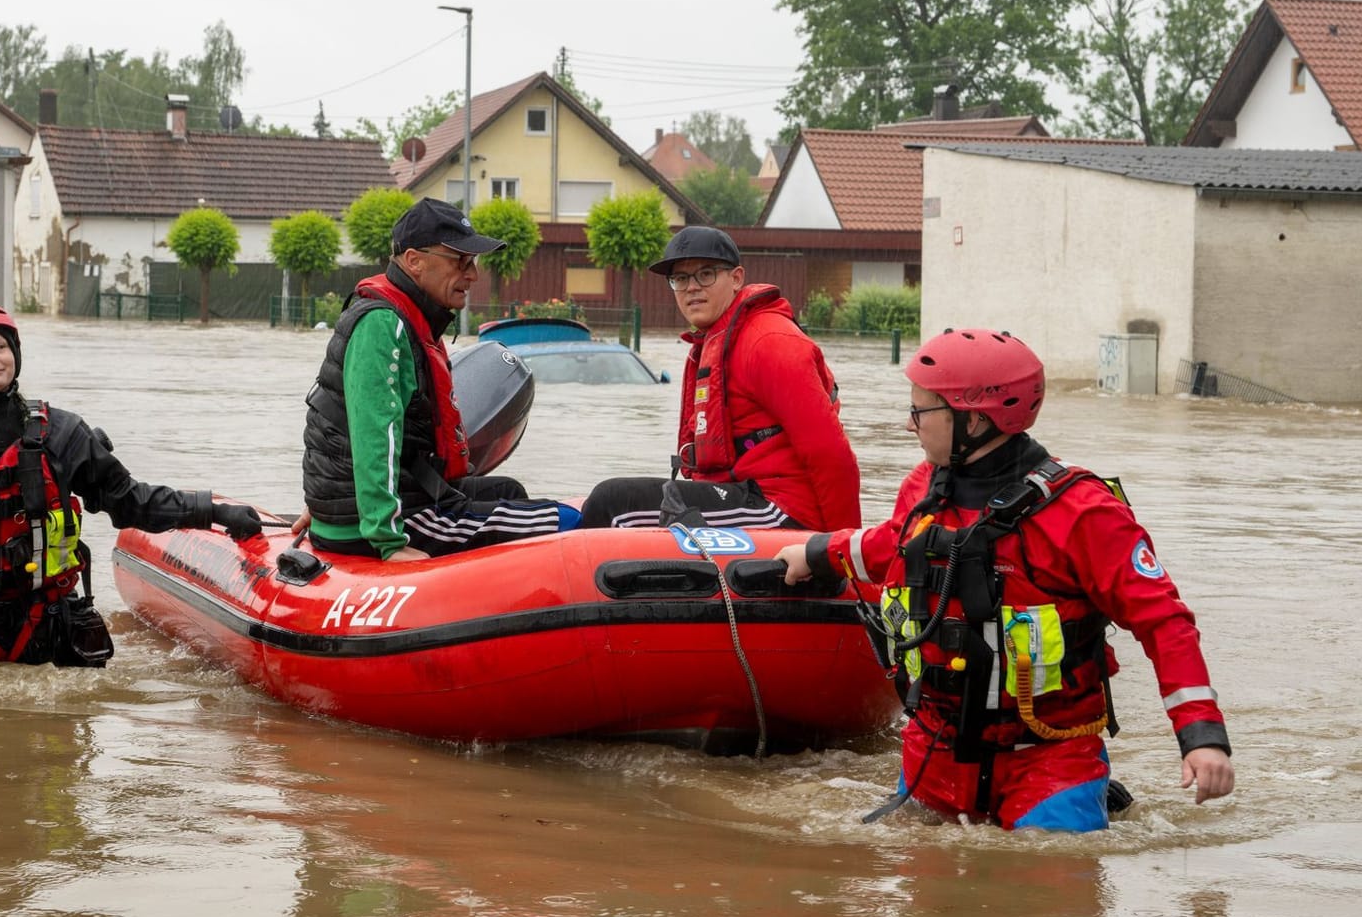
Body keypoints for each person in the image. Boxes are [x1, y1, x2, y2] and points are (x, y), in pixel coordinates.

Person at [775, 328, 1234, 831]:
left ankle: (1097, 794)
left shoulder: (1084, 513)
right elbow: (890, 545)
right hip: (934, 756)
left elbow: (1163, 620)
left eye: (921, 411)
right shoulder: (923, 488)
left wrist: (1202, 736)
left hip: (1048, 762)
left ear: (974, 419)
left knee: (1047, 895)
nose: (909, 426)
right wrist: (816, 553)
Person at [0, 300, 262, 664]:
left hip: (49, 626)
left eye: (0, 346)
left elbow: (130, 501)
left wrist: (213, 511)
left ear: (16, 355)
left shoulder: (62, 433)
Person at [300, 198, 573, 561]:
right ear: (414, 261)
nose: (473, 274)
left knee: (509, 490)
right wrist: (386, 539)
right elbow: (374, 436)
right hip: (384, 525)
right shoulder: (384, 325)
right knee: (570, 521)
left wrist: (327, 506)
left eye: (473, 262)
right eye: (461, 261)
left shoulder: (409, 317)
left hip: (375, 507)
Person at [579, 225, 860, 532]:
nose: (692, 287)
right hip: (743, 493)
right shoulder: (714, 341)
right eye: (681, 278)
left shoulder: (770, 343)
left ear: (736, 278)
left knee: (615, 504)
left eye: (706, 274)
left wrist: (840, 554)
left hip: (783, 508)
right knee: (606, 499)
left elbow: (832, 456)